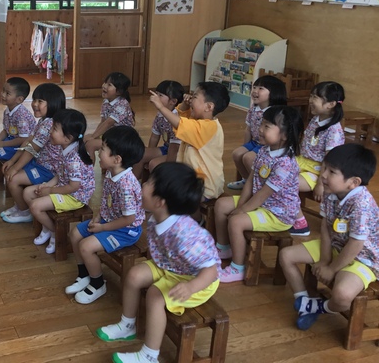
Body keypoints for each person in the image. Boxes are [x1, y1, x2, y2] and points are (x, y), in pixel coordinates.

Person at [97, 162, 220, 363]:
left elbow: (212, 269)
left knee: (155, 295)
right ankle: (127, 325)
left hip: (197, 279)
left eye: (149, 183)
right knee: (134, 275)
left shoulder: (185, 236)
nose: (143, 184)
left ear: (160, 202)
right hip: (171, 266)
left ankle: (149, 356)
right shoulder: (158, 216)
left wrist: (191, 287)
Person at [279, 144, 379, 331]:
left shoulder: (362, 204)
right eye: (324, 168)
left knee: (342, 296)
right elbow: (325, 226)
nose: (323, 175)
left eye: (331, 171)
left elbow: (356, 244)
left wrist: (332, 269)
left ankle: (317, 307)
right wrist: (325, 260)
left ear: (353, 182)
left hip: (363, 258)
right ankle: (304, 303)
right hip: (337, 245)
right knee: (286, 255)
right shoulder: (331, 191)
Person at [214, 106, 304, 283]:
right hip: (261, 203)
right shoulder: (264, 150)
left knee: (236, 221)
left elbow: (264, 193)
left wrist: (242, 210)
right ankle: (224, 248)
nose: (260, 129)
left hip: (277, 213)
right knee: (221, 205)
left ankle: (237, 267)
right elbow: (250, 180)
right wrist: (242, 206)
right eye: (261, 124)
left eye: (267, 126)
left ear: (284, 135)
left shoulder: (285, 163)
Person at [67, 126, 145, 304]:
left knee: (86, 246)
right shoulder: (112, 173)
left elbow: (129, 219)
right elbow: (106, 200)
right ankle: (84, 274)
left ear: (117, 159)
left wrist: (102, 227)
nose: (98, 152)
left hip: (126, 230)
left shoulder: (126, 185)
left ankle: (97, 284)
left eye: (102, 149)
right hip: (108, 220)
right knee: (75, 234)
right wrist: (97, 218)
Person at [25, 109, 95, 254]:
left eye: (54, 129)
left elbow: (73, 187)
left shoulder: (74, 159)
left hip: (75, 197)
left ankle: (55, 232)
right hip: (64, 187)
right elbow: (60, 173)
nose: (50, 131)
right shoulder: (65, 148)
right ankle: (48, 228)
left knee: (35, 206)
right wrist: (47, 185)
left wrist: (50, 191)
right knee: (28, 193)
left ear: (67, 138)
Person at [150, 81, 230, 201]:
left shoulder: (208, 127)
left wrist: (160, 107)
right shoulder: (198, 120)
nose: (191, 99)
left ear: (209, 107)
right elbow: (182, 117)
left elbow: (179, 123)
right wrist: (185, 105)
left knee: (167, 195)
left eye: (195, 97)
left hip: (205, 185)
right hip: (190, 179)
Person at [0, 83, 66, 223]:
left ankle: (24, 212)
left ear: (53, 103)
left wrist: (15, 168)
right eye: (34, 100)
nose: (35, 104)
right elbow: (28, 142)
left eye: (40, 101)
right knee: (12, 172)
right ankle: (20, 206)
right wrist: (12, 161)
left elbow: (32, 149)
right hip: (39, 163)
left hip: (50, 170)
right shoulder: (43, 121)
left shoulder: (49, 124)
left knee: (13, 179)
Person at [291, 81, 346, 236]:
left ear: (331, 104)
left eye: (315, 97)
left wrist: (321, 184)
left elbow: (330, 161)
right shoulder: (316, 119)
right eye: (311, 96)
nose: (310, 100)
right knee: (274, 171)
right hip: (302, 162)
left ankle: (300, 223)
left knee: (285, 183)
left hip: (317, 171)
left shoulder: (334, 130)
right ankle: (280, 209)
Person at [227, 75, 287, 190]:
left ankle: (259, 185)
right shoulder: (254, 108)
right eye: (254, 87)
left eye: (261, 88)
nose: (255, 91)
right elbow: (248, 129)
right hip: (254, 142)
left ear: (274, 92)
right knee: (237, 154)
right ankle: (246, 181)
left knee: (248, 158)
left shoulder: (275, 112)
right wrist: (245, 146)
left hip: (267, 146)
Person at [132, 80, 184, 179]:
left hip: (178, 153)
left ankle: (156, 187)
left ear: (173, 101)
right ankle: (132, 184)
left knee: (154, 164)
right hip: (166, 148)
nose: (155, 97)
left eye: (160, 95)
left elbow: (175, 148)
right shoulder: (160, 115)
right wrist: (149, 154)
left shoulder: (177, 118)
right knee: (140, 154)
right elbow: (154, 137)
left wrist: (168, 167)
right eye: (156, 93)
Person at [83, 72, 134, 163]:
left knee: (90, 145)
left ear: (119, 92)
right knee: (85, 139)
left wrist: (93, 137)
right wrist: (94, 135)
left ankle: (88, 171)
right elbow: (103, 122)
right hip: (112, 135)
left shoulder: (122, 104)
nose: (104, 86)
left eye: (109, 85)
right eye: (105, 82)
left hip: (122, 139)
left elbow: (108, 123)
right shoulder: (106, 102)